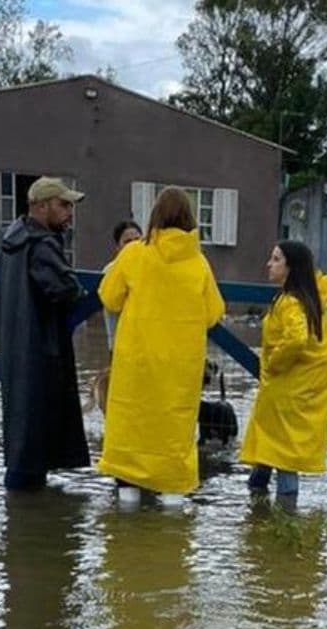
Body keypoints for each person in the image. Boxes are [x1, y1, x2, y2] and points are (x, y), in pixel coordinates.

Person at [97, 187, 225, 504]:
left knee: (131, 435)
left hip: (136, 363)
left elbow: (109, 296)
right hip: (179, 370)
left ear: (154, 216)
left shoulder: (133, 255)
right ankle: (170, 531)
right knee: (173, 443)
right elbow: (213, 313)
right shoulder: (199, 264)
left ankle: (124, 529)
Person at [0, 176, 90, 490]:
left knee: (24, 448)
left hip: (16, 350)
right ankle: (30, 525)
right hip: (41, 352)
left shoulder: (12, 239)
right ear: (41, 205)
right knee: (33, 453)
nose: (70, 213)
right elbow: (66, 289)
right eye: (64, 205)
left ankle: (21, 525)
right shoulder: (41, 243)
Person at [239, 241, 327, 502]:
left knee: (282, 456)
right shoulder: (317, 296)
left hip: (286, 391)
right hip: (305, 390)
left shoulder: (291, 303)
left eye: (276, 259)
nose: (269, 264)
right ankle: (261, 514)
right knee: (273, 452)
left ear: (291, 267)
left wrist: (273, 362)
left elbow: (296, 339)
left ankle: (281, 520)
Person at [103, 221, 143, 352]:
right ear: (118, 247)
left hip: (148, 348)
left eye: (137, 239)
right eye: (128, 241)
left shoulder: (152, 269)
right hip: (120, 346)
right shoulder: (111, 271)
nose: (134, 245)